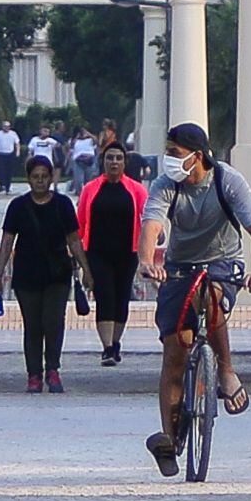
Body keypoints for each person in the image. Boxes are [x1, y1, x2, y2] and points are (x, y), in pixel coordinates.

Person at [137, 122, 251, 477]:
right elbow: (151, 224)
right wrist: (148, 261)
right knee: (175, 349)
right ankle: (169, 440)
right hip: (180, 265)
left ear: (197, 156)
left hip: (222, 263)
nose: (168, 159)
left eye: (175, 153)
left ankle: (225, 371)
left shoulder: (228, 181)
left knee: (211, 294)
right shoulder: (167, 185)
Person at [0, 156, 94, 394]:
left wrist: (86, 269)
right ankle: (34, 374)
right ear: (28, 179)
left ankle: (53, 369)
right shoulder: (18, 207)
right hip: (27, 275)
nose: (40, 181)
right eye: (35, 177)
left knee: (53, 322)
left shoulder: (63, 204)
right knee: (33, 325)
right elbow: (7, 241)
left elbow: (74, 240)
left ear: (51, 178)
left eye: (44, 177)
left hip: (57, 273)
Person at [76, 142, 149, 366]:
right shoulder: (91, 188)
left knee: (121, 299)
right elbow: (79, 222)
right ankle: (107, 347)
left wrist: (155, 237)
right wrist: (74, 251)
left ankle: (116, 342)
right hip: (97, 252)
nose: (114, 162)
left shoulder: (136, 190)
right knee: (104, 295)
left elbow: (148, 218)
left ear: (125, 162)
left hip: (127, 253)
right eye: (110, 158)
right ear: (103, 162)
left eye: (118, 158)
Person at [0, 120, 21, 194]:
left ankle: (8, 186)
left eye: (8, 126)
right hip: (1, 154)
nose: (6, 128)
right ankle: (2, 185)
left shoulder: (13, 134)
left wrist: (17, 152)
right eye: (5, 126)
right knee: (0, 171)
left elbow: (17, 143)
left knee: (9, 171)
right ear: (2, 127)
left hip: (10, 154)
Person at [27, 125, 62, 191]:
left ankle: (49, 186)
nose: (46, 133)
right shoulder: (34, 139)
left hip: (48, 160)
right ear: (41, 131)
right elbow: (30, 150)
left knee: (48, 174)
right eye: (45, 131)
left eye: (48, 132)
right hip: (36, 160)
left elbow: (59, 145)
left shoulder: (50, 140)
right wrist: (29, 157)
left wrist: (53, 144)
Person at [69, 126, 98, 195]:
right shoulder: (73, 140)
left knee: (89, 181)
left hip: (89, 161)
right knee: (79, 181)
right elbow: (71, 147)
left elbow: (96, 141)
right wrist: (76, 137)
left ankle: (88, 195)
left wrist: (88, 134)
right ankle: (80, 195)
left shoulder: (90, 140)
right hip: (78, 162)